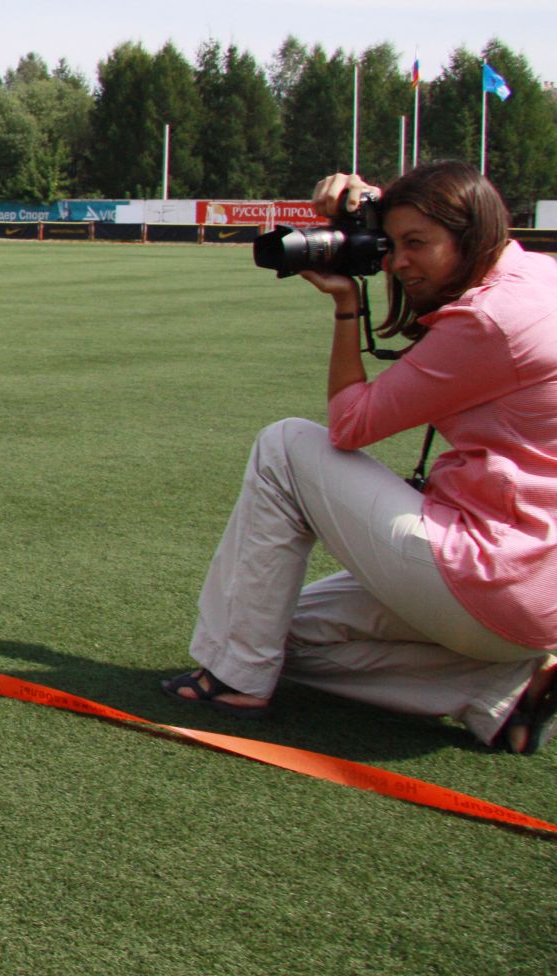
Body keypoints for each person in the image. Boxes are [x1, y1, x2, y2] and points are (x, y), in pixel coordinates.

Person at [162, 161, 557, 753]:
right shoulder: (535, 274)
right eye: (392, 243)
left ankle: (233, 682)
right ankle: (503, 688)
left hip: (494, 573)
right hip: (534, 589)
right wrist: (376, 204)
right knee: (274, 635)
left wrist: (346, 304)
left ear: (471, 235)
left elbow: (351, 426)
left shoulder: (488, 320)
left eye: (416, 244)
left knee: (286, 446)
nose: (398, 262)